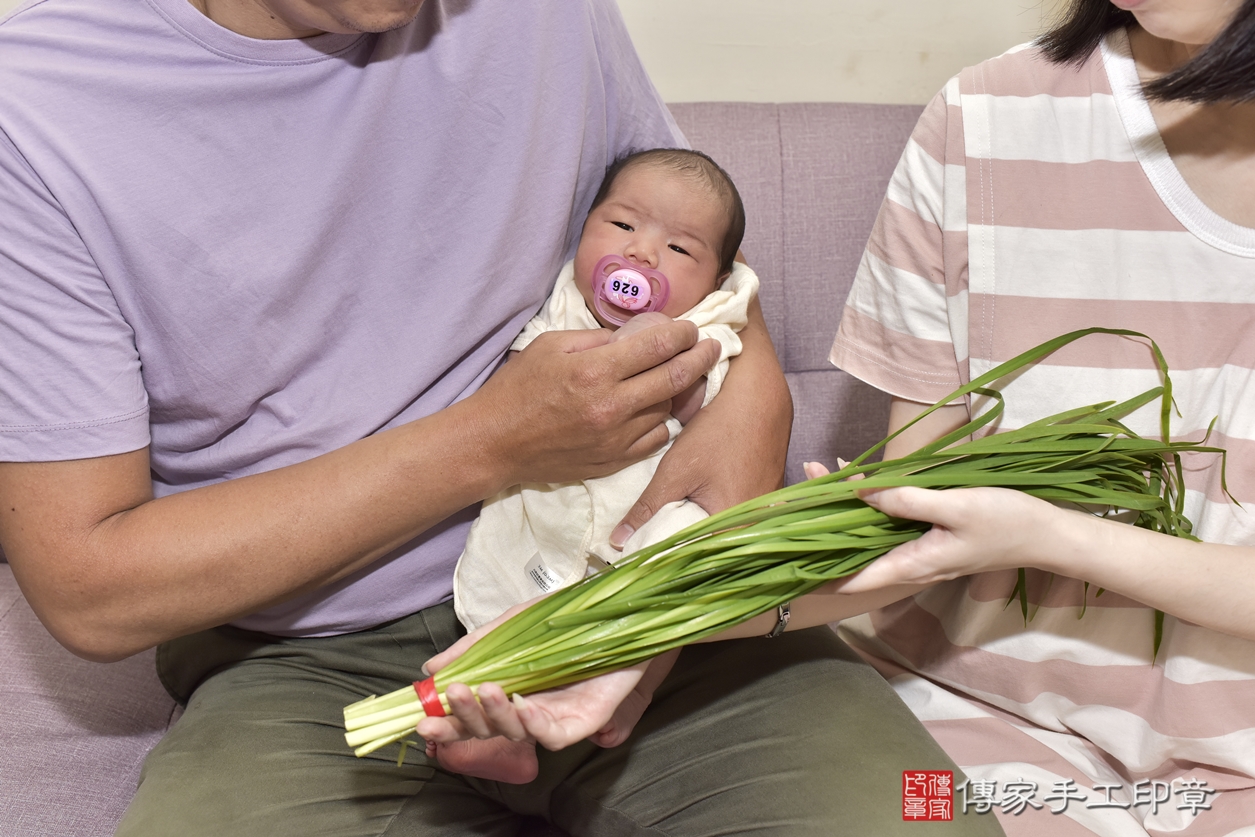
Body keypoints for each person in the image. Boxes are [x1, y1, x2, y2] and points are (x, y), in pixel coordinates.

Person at [0, 0, 1002, 834]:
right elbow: (92, 592)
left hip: (633, 603)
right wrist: (490, 441)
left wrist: (751, 405)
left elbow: (687, 250)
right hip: (309, 665)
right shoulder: (37, 108)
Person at [423, 0, 1255, 834]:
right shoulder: (983, 115)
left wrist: (1048, 536)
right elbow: (911, 529)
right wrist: (619, 643)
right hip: (978, 709)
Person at [454, 148, 758, 634]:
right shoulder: (560, 302)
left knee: (684, 540)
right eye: (622, 226)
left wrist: (659, 354)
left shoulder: (706, 324)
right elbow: (517, 377)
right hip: (543, 509)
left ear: (714, 283)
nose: (642, 253)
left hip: (639, 534)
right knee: (509, 593)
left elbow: (706, 403)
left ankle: (633, 653)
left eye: (679, 250)